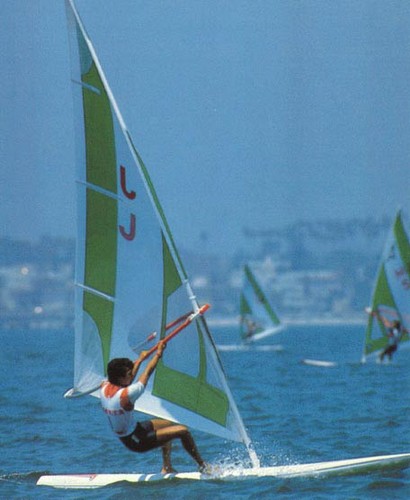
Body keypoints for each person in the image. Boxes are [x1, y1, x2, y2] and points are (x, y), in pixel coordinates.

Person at [100, 341, 208, 474]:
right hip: (136, 441)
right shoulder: (126, 395)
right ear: (120, 378)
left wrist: (140, 360)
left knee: (168, 424)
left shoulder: (104, 386)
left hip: (136, 429)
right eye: (128, 374)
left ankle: (167, 467)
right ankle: (203, 466)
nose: (131, 376)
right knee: (183, 431)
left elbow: (128, 379)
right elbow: (148, 372)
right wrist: (158, 353)